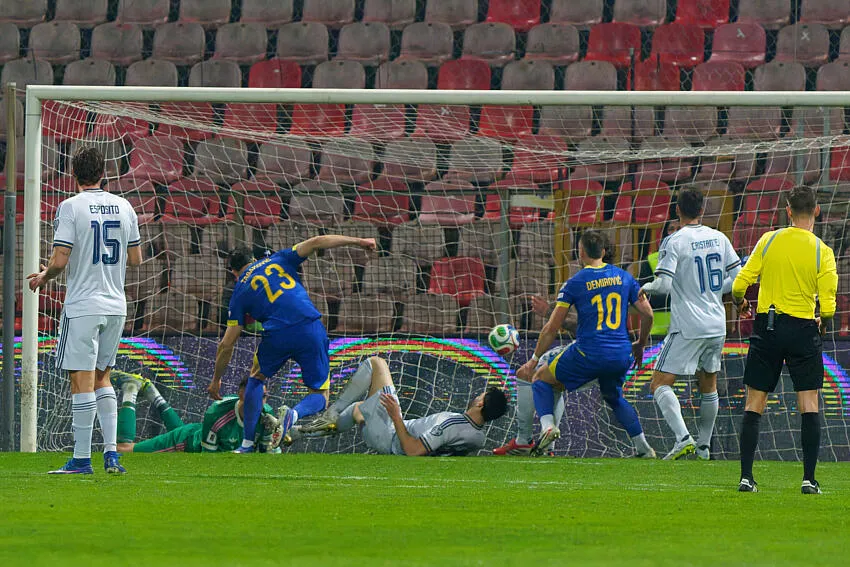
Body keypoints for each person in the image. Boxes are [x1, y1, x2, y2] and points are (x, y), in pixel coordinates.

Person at [28, 146, 142, 475]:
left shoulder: (71, 207)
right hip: (115, 305)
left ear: (73, 174)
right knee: (103, 377)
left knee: (80, 380)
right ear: (104, 173)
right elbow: (135, 259)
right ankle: (111, 455)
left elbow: (60, 260)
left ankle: (80, 459)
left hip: (83, 305)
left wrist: (43, 275)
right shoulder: (125, 207)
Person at [209, 236, 377, 453]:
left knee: (256, 377)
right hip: (310, 327)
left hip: (278, 334)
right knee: (320, 395)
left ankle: (246, 444)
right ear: (254, 258)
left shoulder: (239, 292)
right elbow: (317, 241)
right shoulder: (279, 259)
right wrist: (359, 241)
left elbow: (227, 343)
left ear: (233, 272)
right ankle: (294, 414)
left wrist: (216, 380)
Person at [732, 185, 838, 494]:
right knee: (809, 403)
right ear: (816, 210)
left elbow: (740, 284)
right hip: (804, 329)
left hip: (768, 327)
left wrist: (741, 302)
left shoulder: (769, 239)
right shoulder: (823, 251)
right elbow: (829, 306)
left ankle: (746, 477)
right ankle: (808, 479)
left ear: (788, 210)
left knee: (755, 401)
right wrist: (824, 322)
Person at [516, 229, 656, 457]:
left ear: (580, 252)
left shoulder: (575, 282)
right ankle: (643, 447)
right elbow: (648, 314)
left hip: (589, 352)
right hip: (621, 352)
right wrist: (640, 343)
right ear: (603, 251)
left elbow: (552, 327)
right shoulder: (625, 277)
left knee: (541, 377)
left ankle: (548, 427)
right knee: (613, 395)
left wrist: (532, 360)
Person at [640, 186, 741, 460]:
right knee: (708, 383)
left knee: (659, 383)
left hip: (688, 326)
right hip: (717, 324)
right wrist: (716, 291)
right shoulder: (719, 237)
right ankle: (704, 447)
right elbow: (739, 276)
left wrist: (646, 287)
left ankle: (683, 438)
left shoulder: (674, 241)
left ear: (677, 210)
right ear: (702, 210)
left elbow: (664, 286)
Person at [297, 357, 509, 456]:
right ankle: (296, 434)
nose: (476, 396)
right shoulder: (478, 438)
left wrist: (396, 416)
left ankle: (331, 411)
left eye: (480, 395)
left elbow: (412, 450)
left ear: (480, 403)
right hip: (386, 435)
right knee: (359, 410)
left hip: (391, 437)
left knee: (377, 364)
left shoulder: (450, 423)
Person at [113, 372, 281, 453]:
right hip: (186, 443)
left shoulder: (267, 416)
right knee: (123, 450)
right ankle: (131, 389)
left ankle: (152, 392)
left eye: (264, 396)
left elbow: (266, 454)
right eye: (256, 395)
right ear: (242, 394)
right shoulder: (217, 413)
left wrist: (273, 441)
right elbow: (208, 461)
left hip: (199, 435)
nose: (261, 401)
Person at [493, 296, 577, 456]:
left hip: (589, 350)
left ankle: (523, 441)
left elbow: (576, 328)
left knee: (527, 373)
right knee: (550, 380)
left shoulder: (585, 283)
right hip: (614, 349)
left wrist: (549, 312)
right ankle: (545, 446)